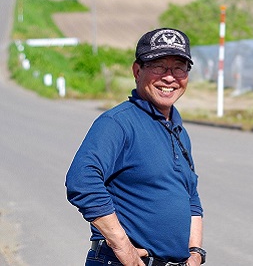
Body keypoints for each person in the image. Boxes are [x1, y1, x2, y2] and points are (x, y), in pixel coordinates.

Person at [66, 28, 206, 266]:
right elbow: (82, 179)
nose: (169, 77)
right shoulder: (118, 123)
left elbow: (190, 196)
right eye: (159, 66)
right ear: (137, 70)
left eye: (179, 67)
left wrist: (195, 253)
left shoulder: (176, 128)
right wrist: (123, 248)